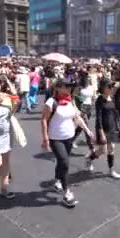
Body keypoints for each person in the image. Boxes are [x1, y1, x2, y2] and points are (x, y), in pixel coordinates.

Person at [41, 79, 94, 207]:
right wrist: (45, 138)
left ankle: (58, 181)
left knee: (61, 162)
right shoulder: (51, 102)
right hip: (56, 138)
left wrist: (87, 130)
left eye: (70, 86)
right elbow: (43, 120)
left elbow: (77, 117)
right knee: (65, 162)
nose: (69, 89)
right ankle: (67, 193)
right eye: (66, 86)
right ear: (58, 88)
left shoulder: (70, 100)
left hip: (69, 137)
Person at [87, 78, 120, 179]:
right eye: (109, 86)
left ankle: (111, 171)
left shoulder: (111, 97)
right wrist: (101, 132)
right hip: (102, 128)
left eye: (112, 86)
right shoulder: (100, 100)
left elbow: (115, 113)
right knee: (102, 150)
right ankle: (90, 158)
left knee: (111, 149)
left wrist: (119, 126)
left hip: (112, 127)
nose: (111, 88)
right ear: (103, 88)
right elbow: (98, 118)